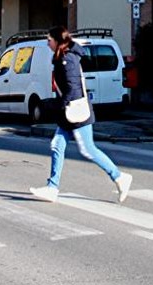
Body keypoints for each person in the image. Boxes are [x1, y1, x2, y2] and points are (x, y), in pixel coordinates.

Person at [30, 26, 132, 203]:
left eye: (49, 40)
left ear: (57, 41)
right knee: (57, 145)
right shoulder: (63, 57)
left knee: (88, 149)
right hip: (69, 111)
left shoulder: (67, 59)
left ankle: (119, 177)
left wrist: (55, 104)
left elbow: (72, 88)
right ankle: (52, 187)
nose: (47, 43)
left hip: (76, 111)